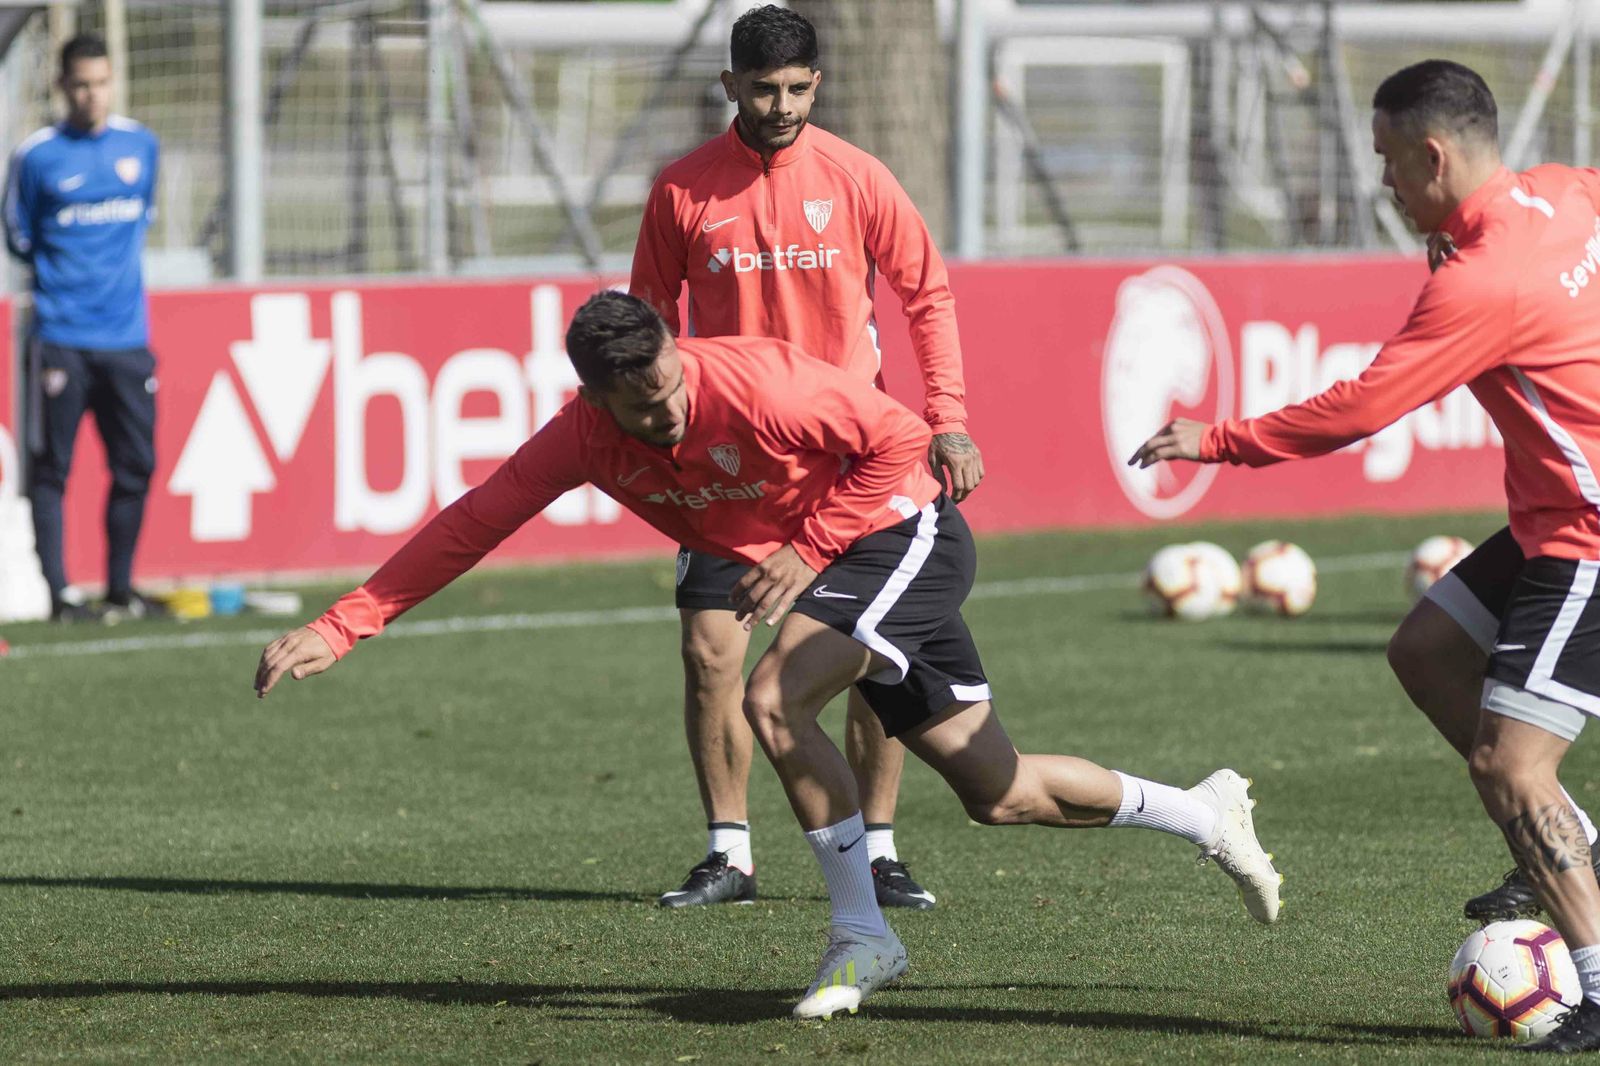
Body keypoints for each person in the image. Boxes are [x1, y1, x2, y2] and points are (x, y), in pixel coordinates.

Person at [255, 292, 1282, 1020]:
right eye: (639, 402)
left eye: (664, 381)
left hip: (902, 533)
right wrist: (342, 624)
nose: (664, 408)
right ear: (593, 398)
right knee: (998, 790)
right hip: (850, 564)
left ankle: (861, 932)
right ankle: (1203, 811)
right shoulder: (583, 438)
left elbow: (899, 438)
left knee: (773, 696)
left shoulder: (757, 380)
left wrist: (802, 547)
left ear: (671, 348)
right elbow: (471, 521)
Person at [1131, 59, 1600, 1052]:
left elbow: (1361, 407)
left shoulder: (1480, 281)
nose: (1383, 183)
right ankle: (1575, 846)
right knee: (1427, 649)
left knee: (1509, 767)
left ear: (1434, 154)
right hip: (1549, 521)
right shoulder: (1564, 190)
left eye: (1388, 161)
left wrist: (1215, 438)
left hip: (1588, 537)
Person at [630, 4, 983, 911]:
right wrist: (659, 436)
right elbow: (648, 324)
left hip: (850, 460)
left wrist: (946, 418)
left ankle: (881, 847)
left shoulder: (858, 177)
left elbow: (926, 294)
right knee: (711, 651)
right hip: (731, 468)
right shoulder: (682, 190)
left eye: (796, 88)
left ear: (816, 84)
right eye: (762, 89)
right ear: (730, 87)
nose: (781, 105)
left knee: (867, 648)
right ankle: (729, 853)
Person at [2, 33, 162, 623]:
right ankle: (60, 596)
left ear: (111, 82)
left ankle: (121, 590)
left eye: (100, 82)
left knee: (136, 465)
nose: (91, 94)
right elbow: (18, 237)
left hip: (126, 339)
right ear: (63, 86)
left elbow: (144, 214)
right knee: (52, 468)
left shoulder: (140, 145)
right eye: (80, 84)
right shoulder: (36, 156)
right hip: (61, 337)